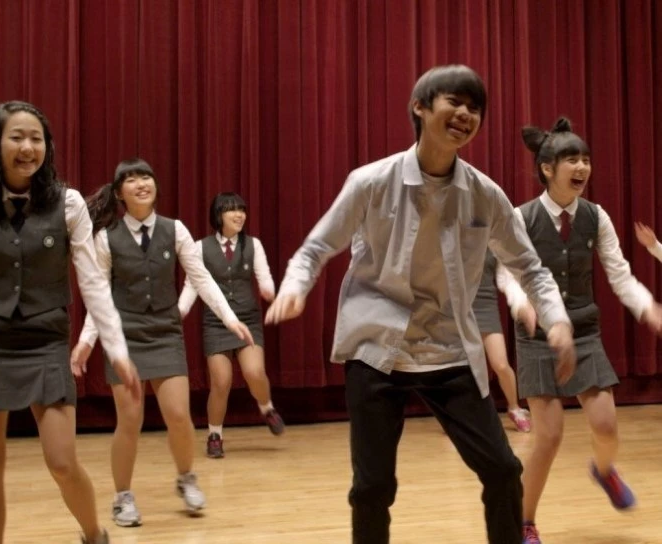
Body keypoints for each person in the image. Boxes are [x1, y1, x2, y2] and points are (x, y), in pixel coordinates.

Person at [265, 64, 576, 544]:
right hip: (376, 349)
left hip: (450, 349)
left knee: (502, 470)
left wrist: (556, 320)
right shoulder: (371, 181)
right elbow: (317, 247)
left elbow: (530, 267)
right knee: (372, 488)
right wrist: (295, 285)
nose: (466, 114)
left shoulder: (485, 195)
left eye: (475, 108)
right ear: (420, 107)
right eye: (455, 102)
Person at [0, 101, 140, 544]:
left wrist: (117, 348)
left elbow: (93, 284)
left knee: (62, 462)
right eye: (16, 137)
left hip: (45, 339)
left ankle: (94, 535)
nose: (27, 147)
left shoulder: (68, 203)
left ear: (47, 147)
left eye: (36, 138)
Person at [497, 117, 662, 544]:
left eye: (586, 159)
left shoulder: (596, 216)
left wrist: (647, 307)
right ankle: (525, 521)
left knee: (606, 427)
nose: (582, 167)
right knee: (548, 438)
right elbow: (507, 273)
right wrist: (521, 303)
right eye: (572, 159)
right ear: (547, 168)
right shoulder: (521, 217)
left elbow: (620, 275)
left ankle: (604, 472)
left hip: (584, 331)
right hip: (537, 338)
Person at [70, 160, 254, 525]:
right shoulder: (106, 238)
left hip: (166, 334)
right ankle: (122, 497)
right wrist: (87, 340)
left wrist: (230, 319)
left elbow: (201, 279)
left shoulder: (176, 230)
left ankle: (186, 477)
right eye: (131, 179)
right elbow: (98, 295)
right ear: (119, 193)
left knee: (179, 416)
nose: (141, 183)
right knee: (130, 420)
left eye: (146, 177)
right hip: (124, 338)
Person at [178, 192, 284, 459]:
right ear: (218, 215)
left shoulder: (254, 245)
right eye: (232, 210)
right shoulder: (200, 248)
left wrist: (269, 291)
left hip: (247, 320)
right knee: (221, 382)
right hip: (216, 323)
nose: (239, 215)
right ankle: (214, 435)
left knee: (254, 372)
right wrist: (180, 311)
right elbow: (192, 285)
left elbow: (264, 277)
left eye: (242, 209)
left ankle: (266, 407)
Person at [474, 249, 531, 432]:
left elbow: (506, 279)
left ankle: (514, 408)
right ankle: (464, 416)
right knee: (467, 369)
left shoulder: (494, 241)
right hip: (458, 308)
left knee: (500, 364)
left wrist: (520, 304)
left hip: (485, 304)